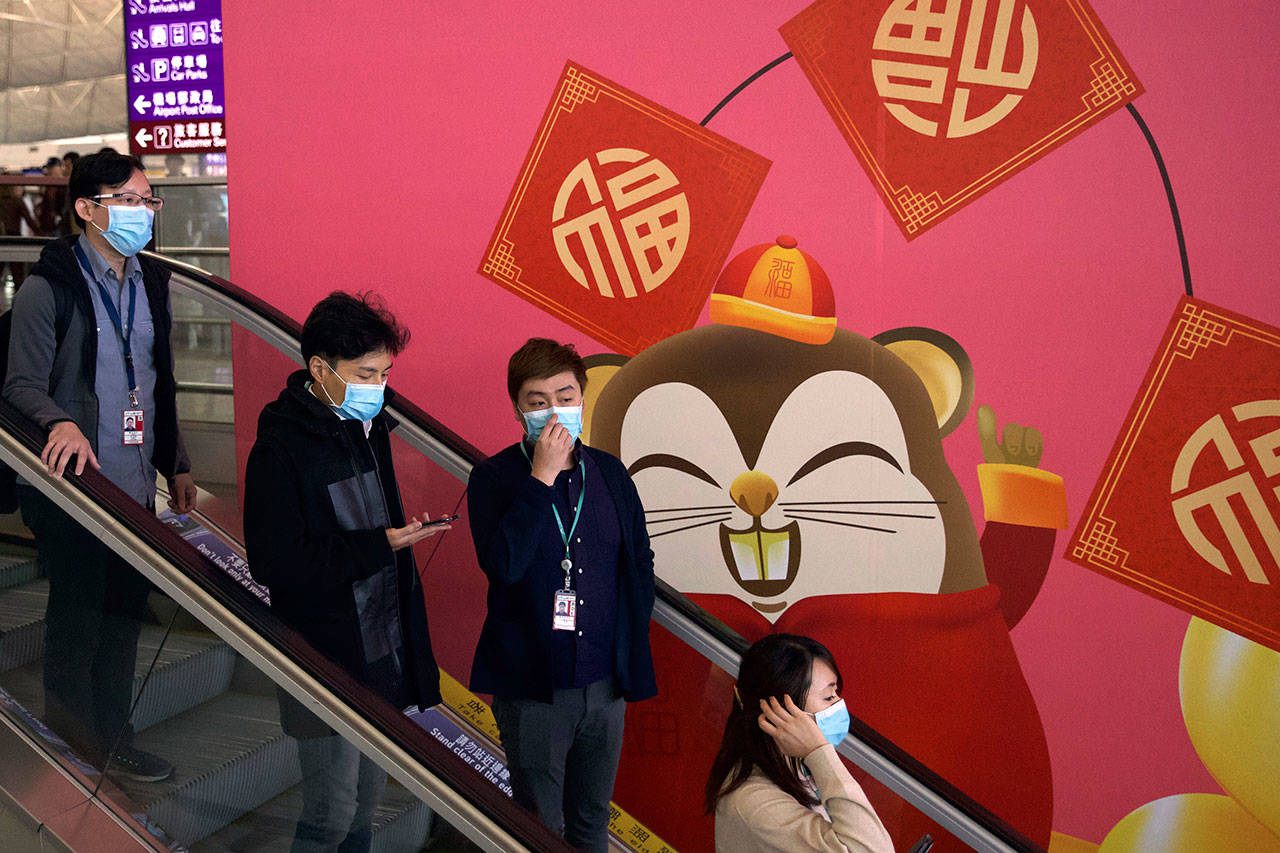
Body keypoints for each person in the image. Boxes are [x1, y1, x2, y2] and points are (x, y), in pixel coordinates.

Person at [3, 150, 197, 782]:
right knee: (78, 622)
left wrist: (177, 461)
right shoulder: (47, 289)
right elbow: (19, 385)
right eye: (129, 201)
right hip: (75, 490)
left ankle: (113, 740)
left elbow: (158, 382)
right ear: (87, 210)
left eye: (148, 201)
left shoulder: (152, 281)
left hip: (136, 486)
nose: (143, 214)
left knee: (122, 624)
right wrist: (58, 419)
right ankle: (71, 745)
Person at [243, 291, 445, 853]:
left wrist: (391, 544)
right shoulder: (281, 448)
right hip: (326, 655)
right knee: (330, 808)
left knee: (368, 805)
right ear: (319, 369)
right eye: (365, 374)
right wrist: (377, 546)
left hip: (384, 645)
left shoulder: (369, 425)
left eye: (383, 373)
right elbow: (275, 563)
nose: (377, 387)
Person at [467, 337, 657, 852]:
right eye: (537, 400)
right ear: (517, 409)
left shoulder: (611, 474)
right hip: (534, 687)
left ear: (583, 397)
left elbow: (640, 561)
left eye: (565, 395)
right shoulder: (492, 479)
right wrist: (542, 476)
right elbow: (503, 565)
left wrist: (628, 643)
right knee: (538, 828)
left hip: (605, 683)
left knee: (593, 823)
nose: (555, 410)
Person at [705, 634, 893, 852]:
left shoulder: (796, 768)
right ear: (781, 712)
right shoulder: (754, 803)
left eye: (836, 693)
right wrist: (819, 752)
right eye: (828, 698)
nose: (839, 704)